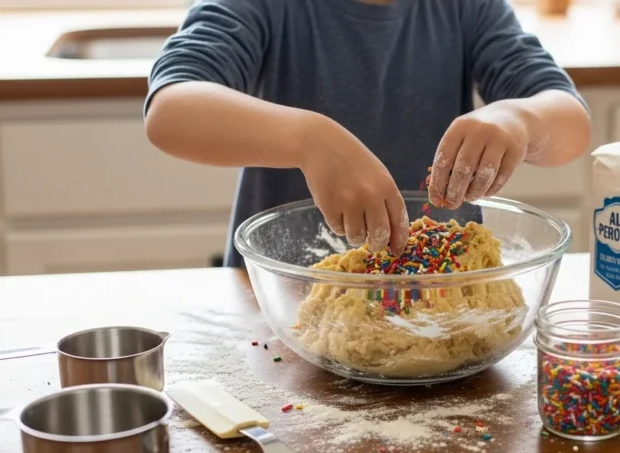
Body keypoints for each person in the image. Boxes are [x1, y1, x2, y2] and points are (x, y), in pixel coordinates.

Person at [144, 0, 591, 267]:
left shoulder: (465, 7)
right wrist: (309, 140)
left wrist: (519, 119)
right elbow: (172, 108)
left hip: (443, 299)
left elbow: (570, 119)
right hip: (283, 296)